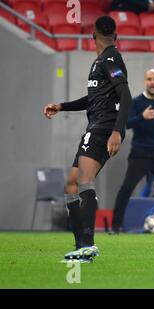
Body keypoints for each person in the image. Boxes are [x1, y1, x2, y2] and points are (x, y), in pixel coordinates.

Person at [43, 16, 132, 262]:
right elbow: (92, 100)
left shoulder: (112, 58)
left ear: (92, 34)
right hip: (97, 125)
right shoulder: (101, 62)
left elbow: (126, 95)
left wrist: (116, 130)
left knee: (83, 180)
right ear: (116, 35)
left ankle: (88, 246)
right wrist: (62, 106)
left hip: (105, 127)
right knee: (71, 183)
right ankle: (81, 243)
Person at [111, 69, 154, 234]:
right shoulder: (135, 102)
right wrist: (142, 116)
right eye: (149, 79)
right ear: (144, 82)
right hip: (140, 153)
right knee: (126, 188)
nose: (152, 82)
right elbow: (127, 124)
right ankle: (116, 226)